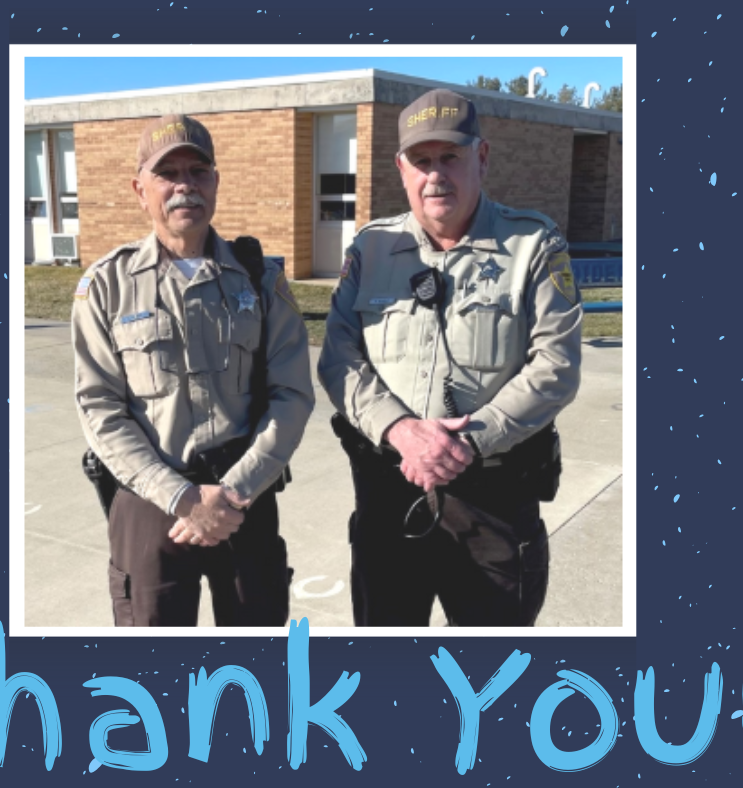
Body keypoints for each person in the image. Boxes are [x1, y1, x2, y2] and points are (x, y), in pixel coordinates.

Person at [318, 89, 582, 627]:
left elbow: (556, 365)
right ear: (402, 169)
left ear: (481, 158)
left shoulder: (533, 244)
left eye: (450, 157)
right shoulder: (370, 249)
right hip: (390, 498)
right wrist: (398, 430)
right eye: (421, 161)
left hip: (494, 507)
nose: (434, 175)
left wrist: (464, 442)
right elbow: (338, 353)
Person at [72, 113, 314, 627]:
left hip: (244, 498)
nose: (185, 185)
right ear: (140, 189)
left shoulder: (260, 278)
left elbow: (292, 393)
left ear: (215, 182)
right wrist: (182, 498)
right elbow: (100, 407)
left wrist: (233, 492)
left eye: (197, 171)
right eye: (168, 173)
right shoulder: (106, 286)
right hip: (150, 499)